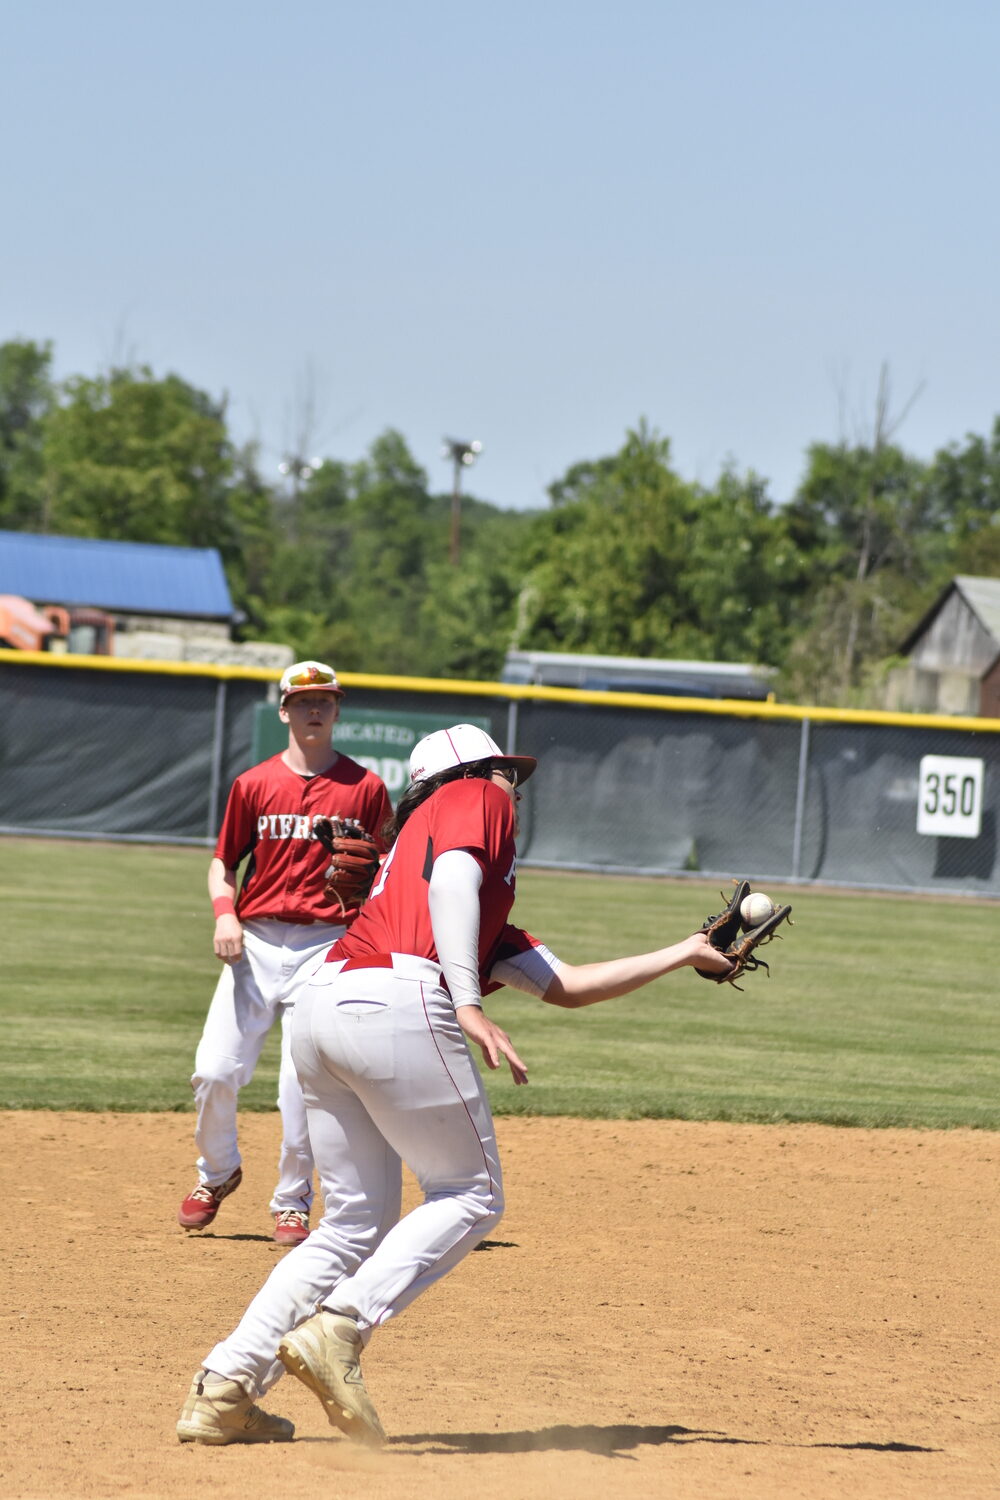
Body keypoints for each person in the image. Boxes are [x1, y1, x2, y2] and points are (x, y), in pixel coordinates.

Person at [176, 723, 733, 1445]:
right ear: (463, 775)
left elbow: (563, 985)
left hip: (322, 1005)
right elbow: (454, 880)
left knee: (350, 1226)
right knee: (472, 1194)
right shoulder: (472, 798)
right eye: (505, 772)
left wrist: (685, 953)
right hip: (398, 998)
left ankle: (223, 1387)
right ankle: (341, 1327)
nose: (513, 788)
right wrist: (465, 1001)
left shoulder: (445, 880)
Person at [176, 660, 393, 1246]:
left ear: (338, 710)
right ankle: (216, 1174)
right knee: (214, 1071)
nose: (314, 710)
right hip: (255, 941)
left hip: (325, 943)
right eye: (302, 702)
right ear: (284, 712)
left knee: (300, 1086)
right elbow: (225, 864)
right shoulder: (253, 784)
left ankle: (293, 1202)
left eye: (325, 700)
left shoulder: (366, 788)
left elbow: (385, 871)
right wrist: (225, 915)